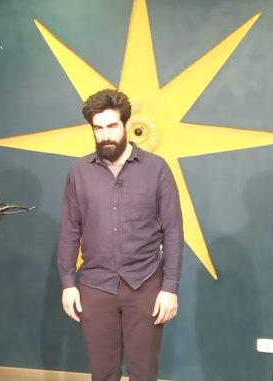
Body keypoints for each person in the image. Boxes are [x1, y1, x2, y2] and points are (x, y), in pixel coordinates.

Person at [57, 89, 183, 381]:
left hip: (146, 285)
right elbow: (69, 230)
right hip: (95, 286)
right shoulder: (78, 171)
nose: (105, 136)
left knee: (144, 373)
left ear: (126, 125)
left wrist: (170, 288)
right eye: (98, 128)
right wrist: (67, 284)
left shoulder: (157, 169)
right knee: (102, 373)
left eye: (112, 126)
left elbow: (173, 232)